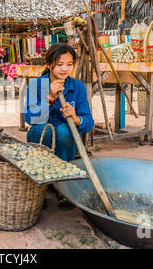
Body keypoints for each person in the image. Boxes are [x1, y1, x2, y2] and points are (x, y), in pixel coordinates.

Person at [23, 43, 94, 208]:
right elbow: (30, 118)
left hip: (65, 142)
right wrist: (49, 97)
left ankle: (64, 185)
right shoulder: (36, 84)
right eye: (60, 64)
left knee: (64, 130)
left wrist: (76, 118)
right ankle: (39, 184)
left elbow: (88, 121)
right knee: (43, 129)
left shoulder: (77, 87)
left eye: (69, 64)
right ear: (49, 64)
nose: (65, 69)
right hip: (41, 135)